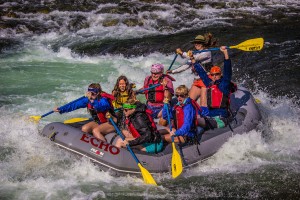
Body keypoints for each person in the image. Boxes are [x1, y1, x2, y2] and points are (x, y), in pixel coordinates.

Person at [167, 33, 217, 104]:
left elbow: (194, 58)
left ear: (202, 44)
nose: (196, 44)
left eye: (198, 43)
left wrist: (181, 53)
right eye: (195, 43)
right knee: (188, 102)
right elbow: (187, 65)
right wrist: (173, 71)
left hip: (206, 80)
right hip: (197, 80)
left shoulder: (207, 52)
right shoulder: (195, 53)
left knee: (203, 104)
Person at [192, 46, 235, 129]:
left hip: (221, 116)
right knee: (193, 117)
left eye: (217, 74)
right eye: (212, 75)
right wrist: (192, 58)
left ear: (220, 74)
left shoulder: (224, 84)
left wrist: (225, 53)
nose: (214, 76)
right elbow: (201, 72)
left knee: (197, 121)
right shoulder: (209, 84)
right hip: (210, 114)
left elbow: (227, 69)